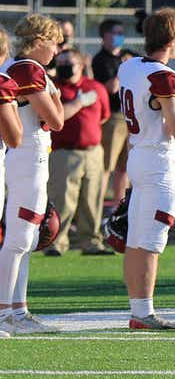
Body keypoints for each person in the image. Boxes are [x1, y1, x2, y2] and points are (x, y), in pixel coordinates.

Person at [115, 8, 175, 330]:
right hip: (158, 162)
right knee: (151, 240)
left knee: (136, 238)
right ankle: (144, 312)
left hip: (137, 156)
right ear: (173, 39)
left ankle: (139, 309)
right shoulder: (165, 78)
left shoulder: (129, 66)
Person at [0, 16, 62, 335]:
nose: (57, 50)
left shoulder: (20, 67)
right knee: (19, 237)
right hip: (26, 154)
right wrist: (55, 95)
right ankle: (4, 312)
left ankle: (17, 310)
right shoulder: (27, 69)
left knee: (25, 238)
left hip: (26, 155)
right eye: (54, 42)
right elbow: (56, 118)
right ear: (39, 41)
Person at [46, 48, 111, 256]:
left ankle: (92, 242)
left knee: (92, 200)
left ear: (81, 65)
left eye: (69, 62)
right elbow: (57, 116)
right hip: (64, 153)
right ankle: (56, 242)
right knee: (63, 200)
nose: (64, 66)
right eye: (61, 62)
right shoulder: (54, 88)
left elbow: (104, 116)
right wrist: (79, 103)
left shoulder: (96, 88)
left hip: (93, 152)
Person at [93, 19, 130, 212]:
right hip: (113, 119)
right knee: (106, 167)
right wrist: (123, 68)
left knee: (125, 168)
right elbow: (111, 88)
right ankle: (96, 209)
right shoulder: (100, 60)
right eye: (115, 32)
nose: (119, 36)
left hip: (129, 116)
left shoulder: (127, 55)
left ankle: (119, 209)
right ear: (105, 35)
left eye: (121, 32)